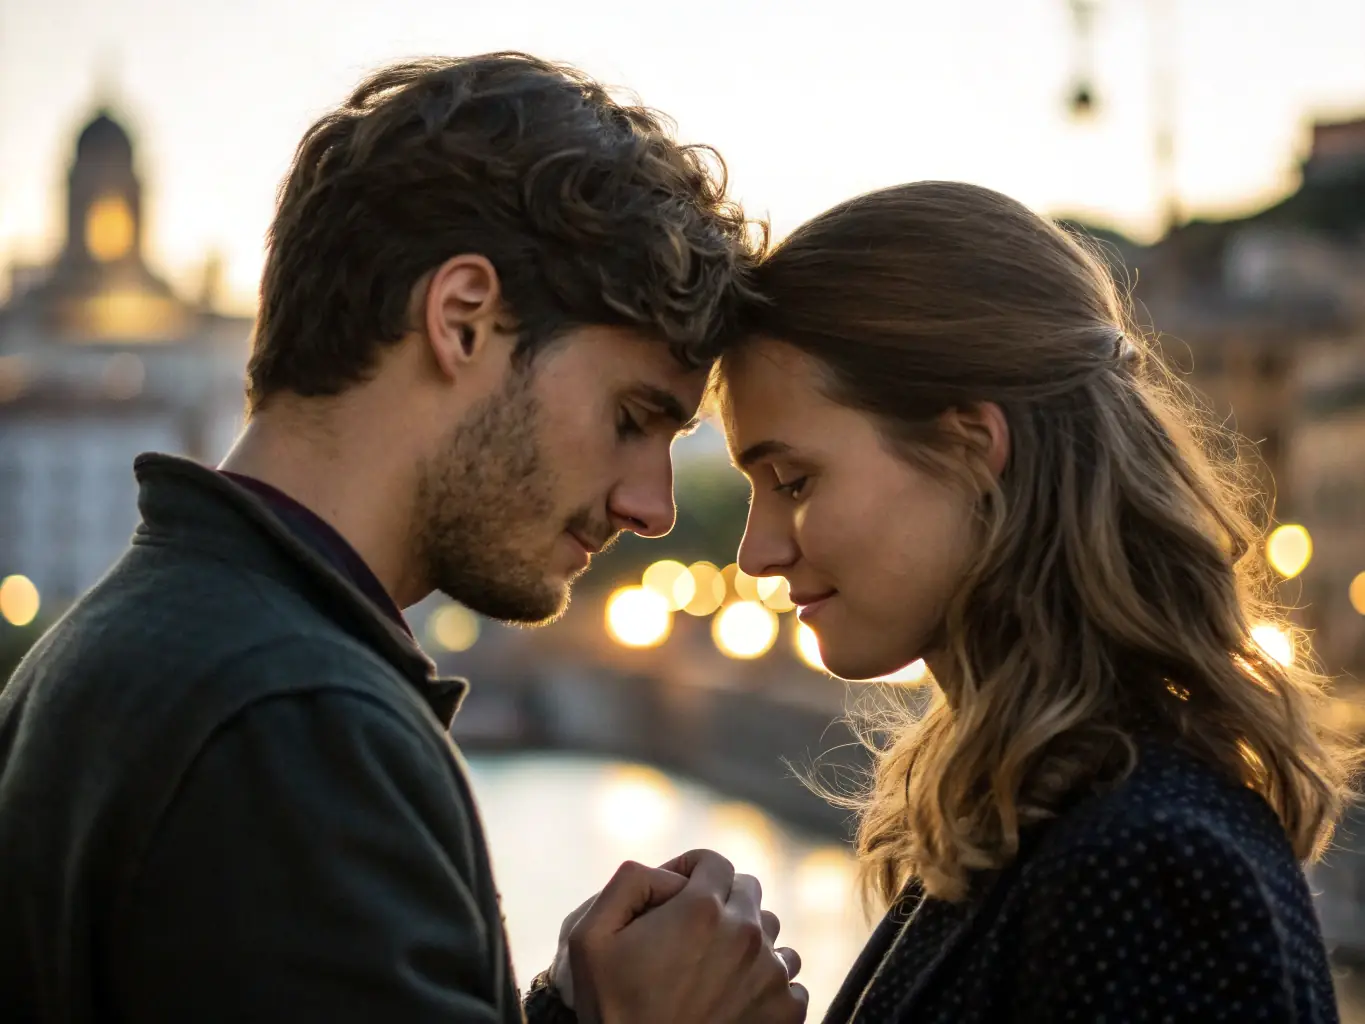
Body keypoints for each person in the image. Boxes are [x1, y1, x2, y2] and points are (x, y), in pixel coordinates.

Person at [0, 54, 806, 1024]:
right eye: (633, 417)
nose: (653, 506)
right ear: (462, 321)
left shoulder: (127, 644)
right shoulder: (291, 716)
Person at [718, 180, 1358, 1022]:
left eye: (794, 481)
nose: (756, 550)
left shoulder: (1142, 863)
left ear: (970, 445)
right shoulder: (1051, 814)